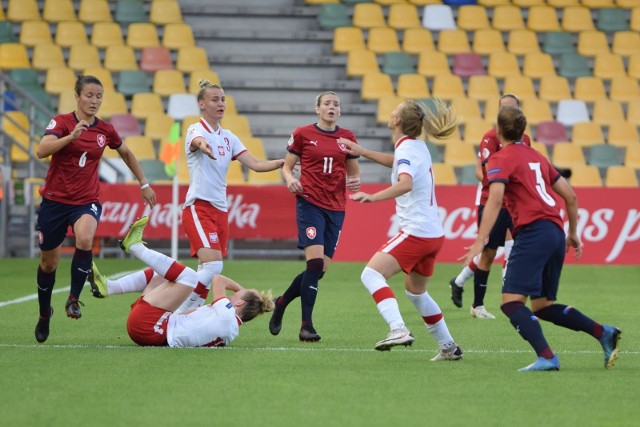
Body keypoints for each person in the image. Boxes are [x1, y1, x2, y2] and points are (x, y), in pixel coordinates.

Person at [462, 106, 621, 371]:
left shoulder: (500, 158)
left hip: (533, 231)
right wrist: (572, 233)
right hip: (555, 232)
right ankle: (603, 332)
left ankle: (547, 357)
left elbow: (496, 197)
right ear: (523, 131)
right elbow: (570, 196)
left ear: (498, 131)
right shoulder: (536, 157)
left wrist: (481, 239)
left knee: (511, 302)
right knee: (543, 306)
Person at [34, 75, 157, 343]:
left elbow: (126, 153)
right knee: (48, 262)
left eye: (98, 96)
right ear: (77, 96)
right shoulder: (62, 122)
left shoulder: (105, 130)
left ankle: (73, 300)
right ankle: (45, 314)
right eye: (89, 95)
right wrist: (70, 137)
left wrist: (143, 183)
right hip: (54, 201)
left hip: (85, 200)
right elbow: (41, 150)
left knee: (86, 238)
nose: (94, 101)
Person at [341, 98, 463, 361]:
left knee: (371, 275)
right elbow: (396, 162)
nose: (391, 111)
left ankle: (397, 329)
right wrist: (361, 150)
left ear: (397, 121)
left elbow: (405, 182)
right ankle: (448, 346)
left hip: (416, 231)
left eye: (394, 109)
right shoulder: (415, 146)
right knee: (416, 293)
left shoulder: (407, 150)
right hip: (433, 234)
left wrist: (373, 197)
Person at [180, 80, 284, 315]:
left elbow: (255, 164)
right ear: (202, 103)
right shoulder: (195, 130)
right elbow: (198, 141)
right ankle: (179, 315)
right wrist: (204, 146)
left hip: (220, 210)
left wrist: (280, 163)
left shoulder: (229, 137)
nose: (221, 104)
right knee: (214, 266)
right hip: (198, 206)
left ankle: (184, 313)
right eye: (215, 99)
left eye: (223, 99)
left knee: (207, 270)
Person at [93, 216, 274, 347]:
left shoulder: (227, 314)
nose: (233, 294)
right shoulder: (231, 330)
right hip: (151, 330)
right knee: (166, 274)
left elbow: (218, 279)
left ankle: (134, 246)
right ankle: (109, 287)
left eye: (237, 295)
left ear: (240, 302)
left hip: (150, 328)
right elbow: (189, 315)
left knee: (188, 276)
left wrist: (240, 288)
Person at [268, 91, 361, 342]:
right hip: (310, 203)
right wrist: (290, 180)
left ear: (340, 111)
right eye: (327, 103)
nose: (332, 107)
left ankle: (282, 301)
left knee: (319, 270)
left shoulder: (348, 137)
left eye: (336, 104)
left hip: (337, 208)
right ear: (317, 109)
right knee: (315, 264)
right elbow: (287, 166)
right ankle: (306, 326)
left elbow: (353, 172)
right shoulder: (303, 134)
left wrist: (354, 182)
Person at [449, 94, 531, 319]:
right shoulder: (490, 138)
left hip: (515, 203)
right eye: (504, 109)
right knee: (489, 253)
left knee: (514, 247)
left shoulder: (525, 139)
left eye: (512, 109)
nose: (508, 113)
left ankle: (509, 299)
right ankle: (477, 304)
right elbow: (485, 172)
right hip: (492, 202)